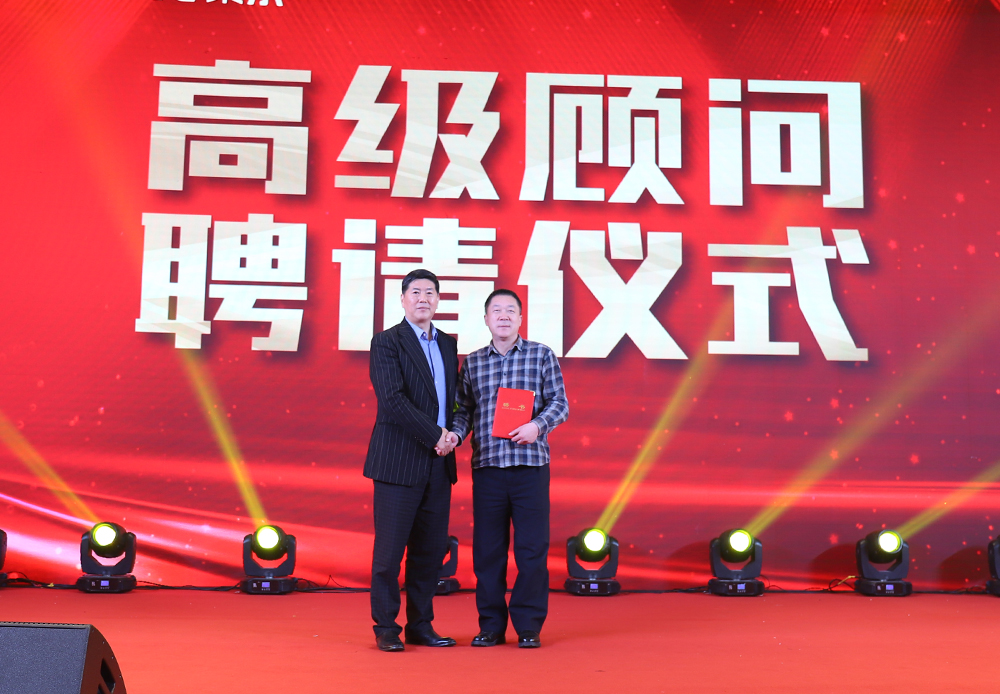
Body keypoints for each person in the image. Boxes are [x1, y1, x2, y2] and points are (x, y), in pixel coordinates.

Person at [448, 289, 568, 649]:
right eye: (496, 310)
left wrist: (537, 426)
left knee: (531, 551)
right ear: (486, 319)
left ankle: (528, 626)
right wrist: (454, 435)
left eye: (510, 311)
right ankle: (491, 626)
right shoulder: (472, 363)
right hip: (488, 468)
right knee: (488, 553)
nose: (503, 316)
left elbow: (560, 403)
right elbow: (463, 411)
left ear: (520, 319)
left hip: (530, 467)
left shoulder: (541, 354)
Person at [364, 269, 459, 652]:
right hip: (398, 461)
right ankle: (386, 627)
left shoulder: (448, 344)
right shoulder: (387, 342)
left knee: (429, 553)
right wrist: (436, 435)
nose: (423, 298)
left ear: (438, 300)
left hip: (439, 464)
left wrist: (452, 435)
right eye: (415, 292)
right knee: (389, 554)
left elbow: (452, 401)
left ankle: (421, 624)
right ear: (403, 299)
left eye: (430, 292)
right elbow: (393, 399)